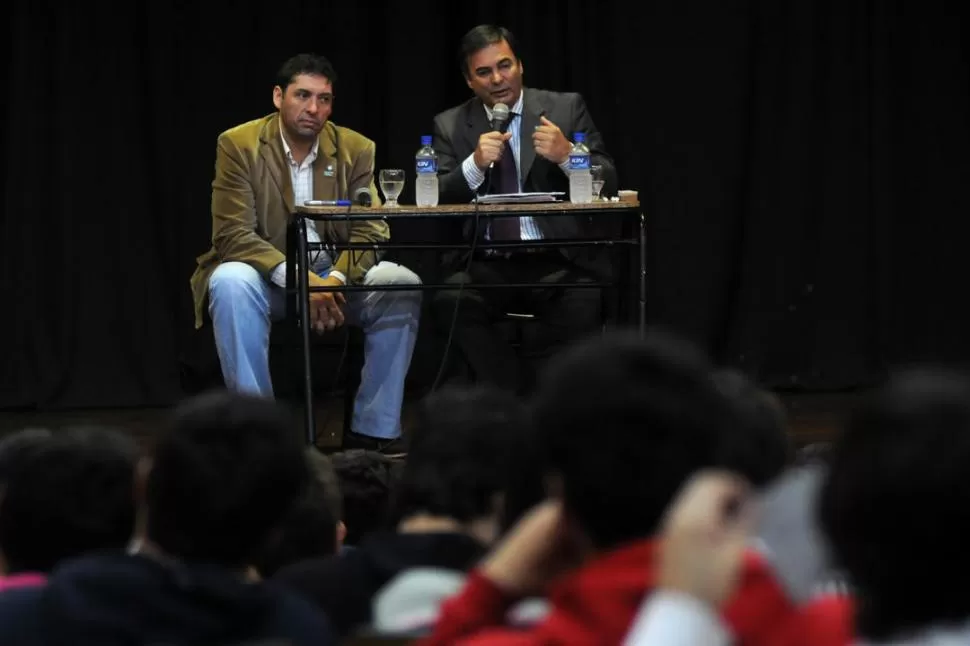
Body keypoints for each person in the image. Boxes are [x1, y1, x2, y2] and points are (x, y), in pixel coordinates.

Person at [189, 53, 421, 451]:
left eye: (324, 99)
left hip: (334, 278)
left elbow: (371, 228)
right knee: (228, 280)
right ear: (279, 97)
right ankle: (257, 432)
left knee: (402, 283)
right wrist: (301, 281)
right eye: (303, 95)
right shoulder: (238, 145)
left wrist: (330, 281)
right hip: (268, 276)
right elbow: (232, 234)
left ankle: (374, 429)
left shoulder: (355, 148)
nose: (314, 109)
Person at [430, 24, 619, 394]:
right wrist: (474, 165)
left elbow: (609, 180)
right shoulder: (450, 124)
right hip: (486, 262)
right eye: (484, 72)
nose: (497, 79)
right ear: (469, 81)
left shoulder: (565, 108)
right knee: (450, 302)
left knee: (584, 300)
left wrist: (569, 156)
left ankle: (557, 404)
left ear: (521, 66)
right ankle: (514, 401)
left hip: (557, 259)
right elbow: (433, 196)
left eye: (505, 65)